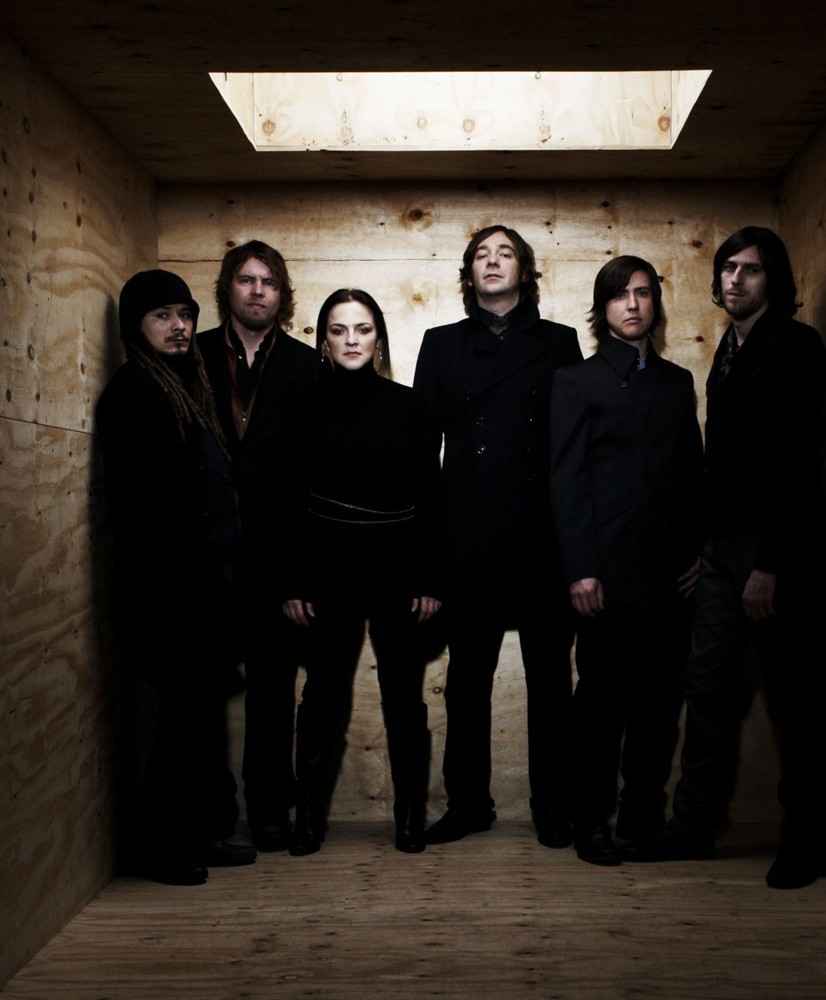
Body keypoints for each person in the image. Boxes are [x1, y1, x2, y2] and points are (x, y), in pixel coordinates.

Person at [629, 227, 826, 889]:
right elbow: (723, 465)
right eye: (728, 268)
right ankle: (692, 828)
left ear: (775, 280)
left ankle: (803, 844)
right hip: (720, 549)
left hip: (775, 553)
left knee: (791, 697)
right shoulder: (728, 350)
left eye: (751, 269)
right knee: (707, 686)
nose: (736, 279)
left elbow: (797, 464)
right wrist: (705, 546)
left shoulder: (796, 346)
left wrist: (768, 564)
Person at [414, 225, 583, 847]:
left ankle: (553, 805)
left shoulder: (560, 342)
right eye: (482, 255)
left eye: (505, 253)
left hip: (541, 538)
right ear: (468, 274)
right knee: (466, 682)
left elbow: (574, 450)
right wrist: (428, 558)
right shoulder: (440, 344)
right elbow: (420, 457)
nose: (493, 262)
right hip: (468, 538)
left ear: (524, 271)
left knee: (550, 680)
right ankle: (467, 804)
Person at [97, 269, 256, 885]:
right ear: (135, 327)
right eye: (162, 315)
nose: (179, 326)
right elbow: (143, 511)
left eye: (185, 314)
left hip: (201, 591)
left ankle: (198, 834)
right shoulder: (135, 393)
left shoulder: (186, 386)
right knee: (183, 722)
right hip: (166, 596)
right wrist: (197, 581)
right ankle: (159, 848)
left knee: (200, 720)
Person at [550, 255, 706, 866]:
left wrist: (700, 553)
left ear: (655, 304)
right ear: (603, 309)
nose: (633, 304)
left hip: (672, 573)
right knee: (600, 702)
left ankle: (641, 818)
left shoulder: (676, 382)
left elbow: (692, 474)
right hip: (607, 574)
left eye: (643, 293)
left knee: (660, 703)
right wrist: (580, 568)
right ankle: (590, 822)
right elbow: (567, 480)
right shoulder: (577, 381)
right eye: (620, 295)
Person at [281, 289, 444, 854]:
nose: (351, 340)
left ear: (379, 338)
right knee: (324, 691)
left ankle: (409, 818)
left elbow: (430, 496)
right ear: (324, 341)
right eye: (339, 330)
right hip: (327, 565)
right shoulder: (301, 404)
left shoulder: (410, 405)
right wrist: (294, 581)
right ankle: (307, 820)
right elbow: (286, 499)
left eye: (363, 329)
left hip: (398, 563)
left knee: (403, 691)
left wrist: (429, 578)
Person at [197, 241, 320, 851]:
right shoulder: (192, 355)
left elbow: (316, 473)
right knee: (202, 691)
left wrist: (301, 572)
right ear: (228, 288)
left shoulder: (306, 364)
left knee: (273, 689)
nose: (257, 291)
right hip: (207, 554)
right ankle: (212, 813)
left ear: (282, 294)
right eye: (246, 280)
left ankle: (270, 809)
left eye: (268, 282)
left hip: (277, 558)